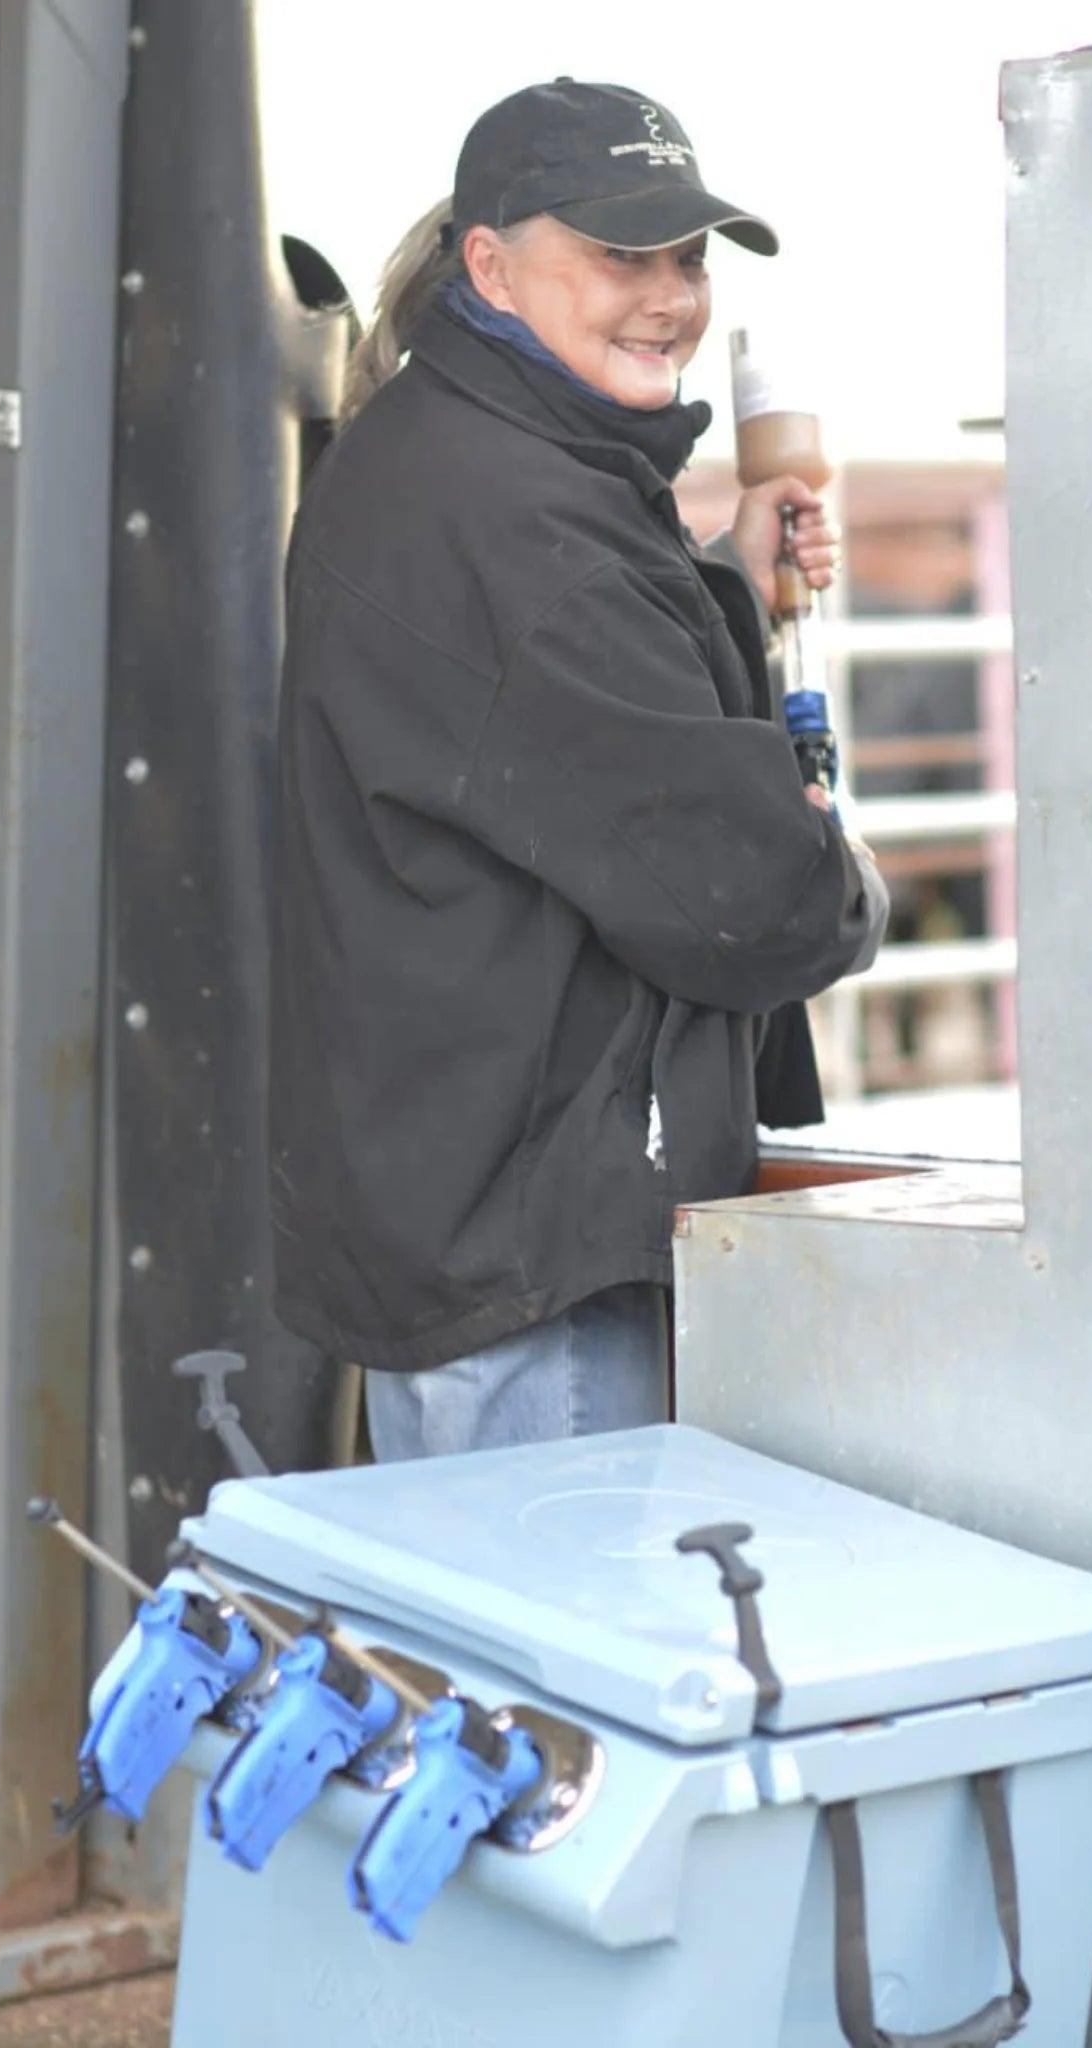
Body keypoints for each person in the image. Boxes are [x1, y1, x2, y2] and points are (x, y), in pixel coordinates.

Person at [269, 79, 887, 1463]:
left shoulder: (457, 463)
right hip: (537, 1262)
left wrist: (722, 577)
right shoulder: (513, 522)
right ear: (488, 262)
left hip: (469, 1214)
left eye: (686, 257)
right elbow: (749, 901)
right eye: (619, 255)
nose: (666, 297)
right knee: (568, 1671)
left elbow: (553, 729)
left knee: (503, 1666)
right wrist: (849, 881)